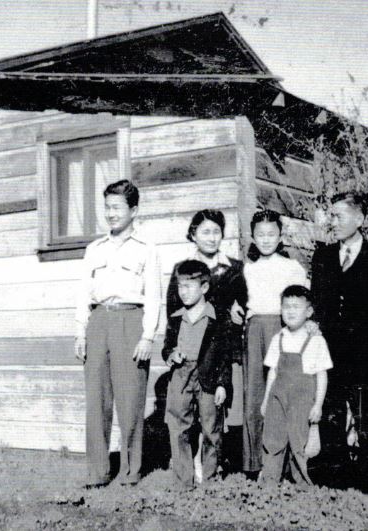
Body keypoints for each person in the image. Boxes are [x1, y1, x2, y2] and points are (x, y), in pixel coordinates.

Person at [311, 191, 368, 495]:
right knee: (332, 415)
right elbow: (318, 303)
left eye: (338, 216)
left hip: (365, 352)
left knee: (367, 418)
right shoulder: (323, 257)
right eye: (330, 216)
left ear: (359, 219)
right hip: (330, 352)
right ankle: (334, 482)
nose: (332, 222)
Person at [74, 179, 161, 488]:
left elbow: (153, 296)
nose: (110, 214)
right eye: (107, 207)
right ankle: (97, 472)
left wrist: (148, 336)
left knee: (130, 399)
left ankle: (130, 471)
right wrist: (81, 332)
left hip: (131, 321)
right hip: (98, 322)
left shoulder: (146, 250)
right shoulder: (93, 249)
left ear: (133, 210)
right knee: (96, 400)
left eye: (117, 207)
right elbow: (84, 292)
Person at [166, 209, 246, 474]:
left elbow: (242, 303)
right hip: (191, 344)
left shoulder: (234, 268)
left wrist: (239, 311)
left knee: (215, 409)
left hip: (222, 346)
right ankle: (189, 465)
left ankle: (214, 463)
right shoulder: (183, 270)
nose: (212, 238)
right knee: (187, 410)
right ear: (193, 234)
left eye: (217, 232)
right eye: (205, 232)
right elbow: (173, 310)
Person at [232, 209, 309, 477]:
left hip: (282, 329)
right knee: (254, 394)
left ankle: (286, 463)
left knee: (283, 392)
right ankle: (255, 463)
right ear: (253, 237)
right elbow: (239, 301)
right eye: (260, 235)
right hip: (254, 330)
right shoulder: (247, 269)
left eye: (271, 234)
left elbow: (302, 304)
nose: (265, 240)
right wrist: (235, 308)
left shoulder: (292, 268)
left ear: (280, 237)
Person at [163, 260, 231, 487]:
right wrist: (171, 355)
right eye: (180, 286)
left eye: (188, 286)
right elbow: (166, 348)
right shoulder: (175, 318)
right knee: (178, 427)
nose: (183, 292)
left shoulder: (217, 317)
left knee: (211, 429)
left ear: (204, 288)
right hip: (181, 376)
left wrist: (222, 384)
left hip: (208, 377)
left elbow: (224, 355)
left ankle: (209, 479)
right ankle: (183, 481)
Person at [260, 285, 332, 485]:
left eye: (296, 307)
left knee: (298, 440)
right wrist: (266, 400)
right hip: (278, 397)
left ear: (308, 312)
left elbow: (322, 375)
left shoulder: (316, 341)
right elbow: (272, 372)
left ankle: (300, 484)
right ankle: (270, 483)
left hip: (302, 400)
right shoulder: (278, 338)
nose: (290, 311)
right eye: (286, 307)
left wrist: (318, 405)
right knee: (273, 438)